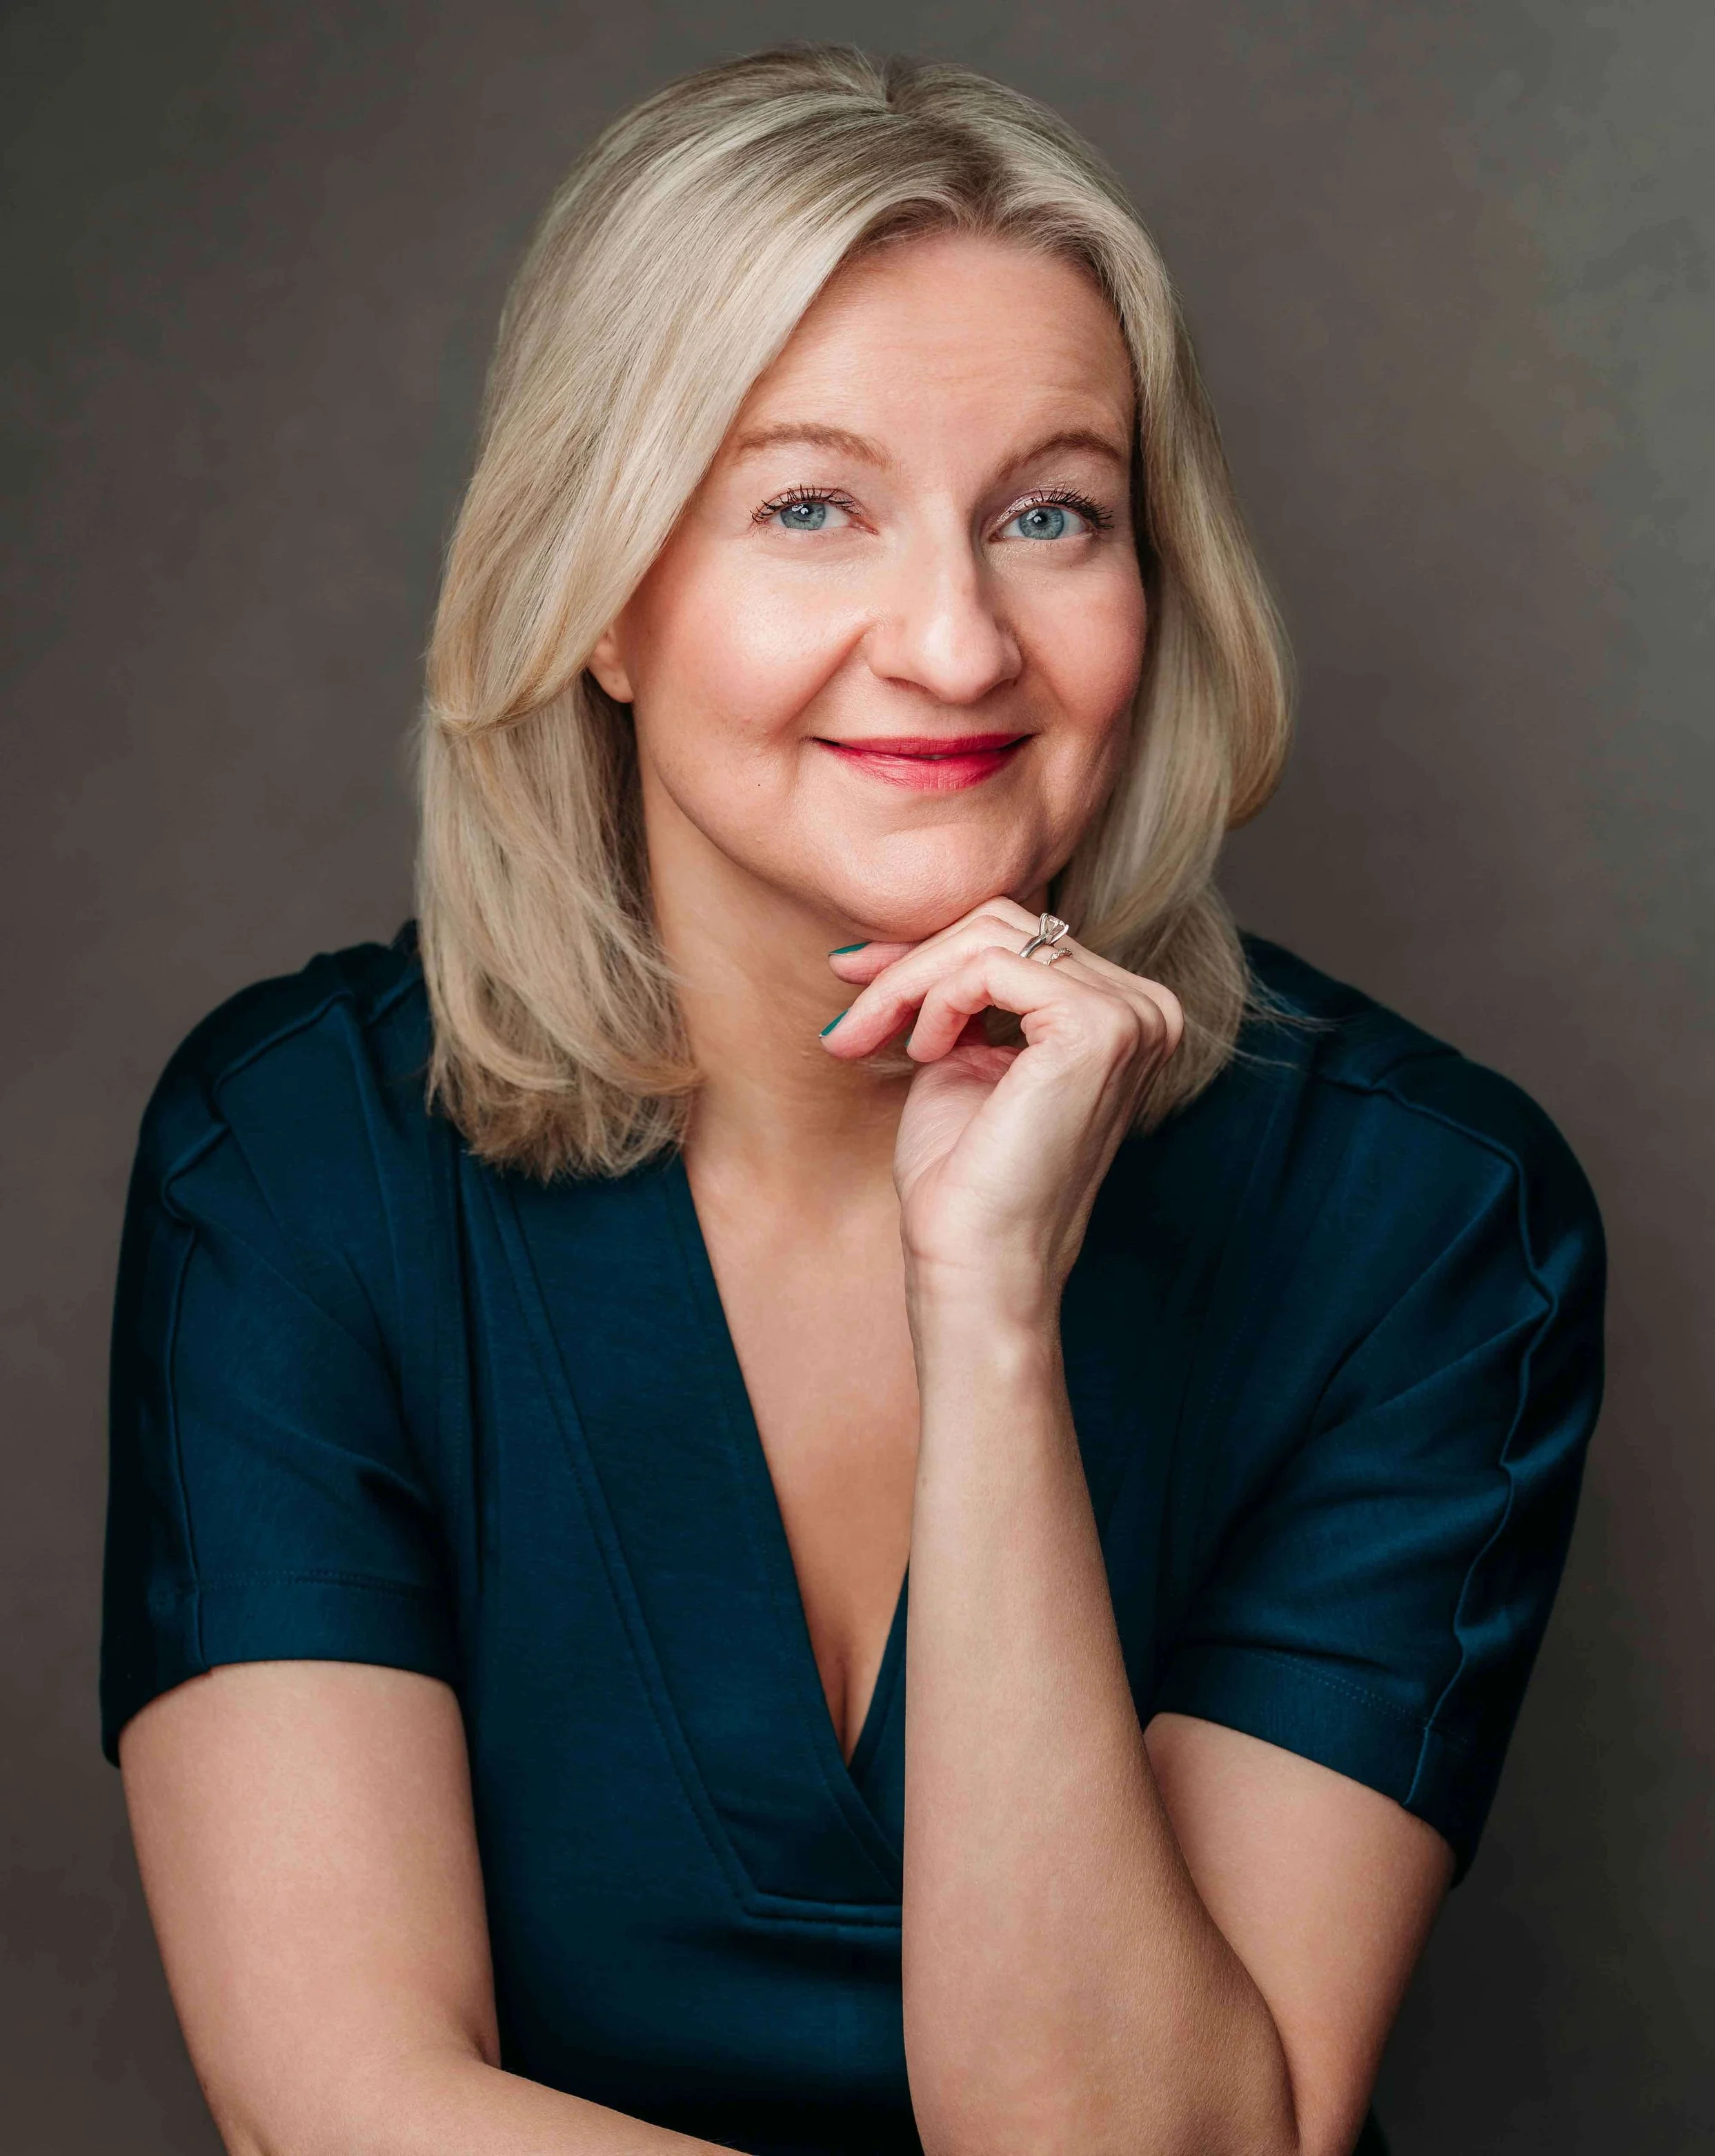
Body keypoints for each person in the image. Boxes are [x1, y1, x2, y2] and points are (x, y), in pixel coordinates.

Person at [101, 45, 1605, 2156]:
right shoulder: (294, 1164)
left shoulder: (1427, 1220)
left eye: (1049, 515)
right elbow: (337, 2104)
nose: (953, 640)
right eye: (810, 506)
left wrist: (988, 1319)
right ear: (606, 594)